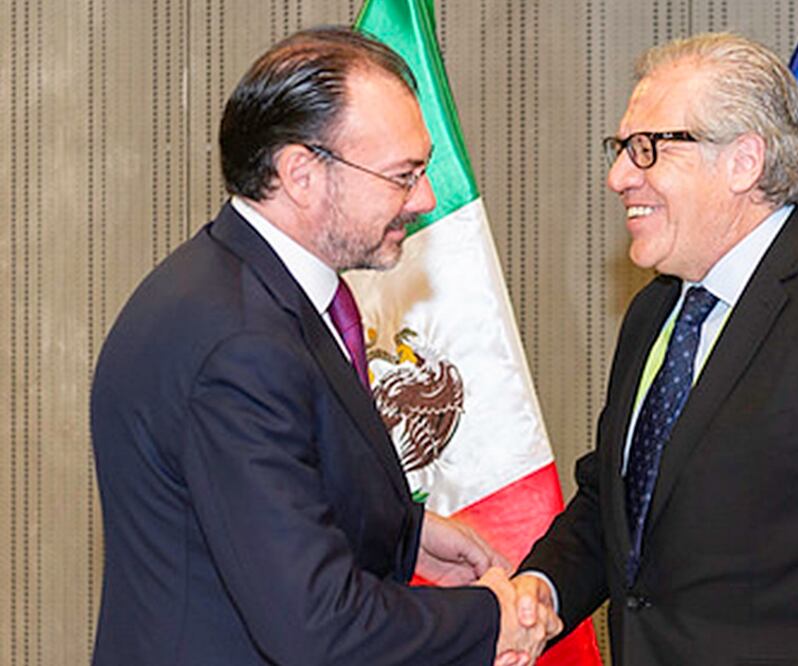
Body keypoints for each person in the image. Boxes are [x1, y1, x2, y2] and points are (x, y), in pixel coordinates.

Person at [90, 27, 556, 665]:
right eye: (403, 176)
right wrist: (490, 619)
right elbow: (317, 625)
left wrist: (407, 537)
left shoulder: (242, 284)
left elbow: (274, 496)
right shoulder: (240, 345)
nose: (424, 200)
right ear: (301, 175)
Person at [513, 32, 798, 665]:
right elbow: (618, 505)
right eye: (620, 150)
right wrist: (542, 589)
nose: (618, 177)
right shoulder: (655, 310)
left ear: (743, 161)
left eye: (648, 149)